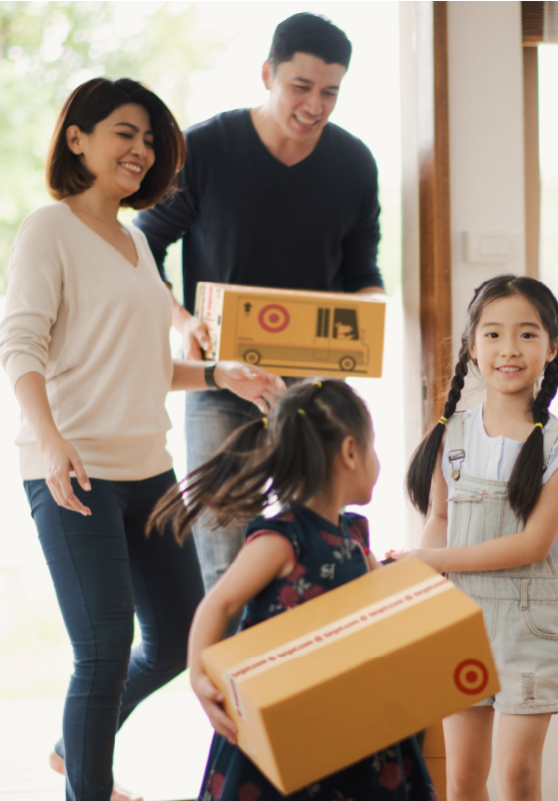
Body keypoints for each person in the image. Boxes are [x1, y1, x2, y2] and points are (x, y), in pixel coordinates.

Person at [0, 77, 284, 801]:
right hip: (75, 471)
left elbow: (147, 363)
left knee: (175, 634)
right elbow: (20, 346)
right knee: (99, 649)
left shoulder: (133, 244)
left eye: (152, 140)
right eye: (125, 133)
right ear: (78, 139)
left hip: (146, 469)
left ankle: (71, 744)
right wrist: (50, 443)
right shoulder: (48, 230)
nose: (142, 151)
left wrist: (217, 370)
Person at [150, 380, 438, 801]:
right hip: (293, 731)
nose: (377, 461)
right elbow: (221, 601)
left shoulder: (355, 538)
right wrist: (198, 675)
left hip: (357, 730)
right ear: (350, 451)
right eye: (374, 447)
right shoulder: (281, 539)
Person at [135, 12, 385, 607]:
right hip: (224, 382)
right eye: (301, 87)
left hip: (314, 389)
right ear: (268, 73)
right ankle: (233, 696)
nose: (314, 106)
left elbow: (362, 273)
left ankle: (299, 691)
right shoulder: (205, 149)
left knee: (317, 553)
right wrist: (183, 322)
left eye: (330, 92)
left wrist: (367, 321)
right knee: (225, 559)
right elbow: (143, 245)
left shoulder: (354, 164)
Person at [393, 276, 558, 801]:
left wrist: (432, 562)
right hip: (460, 620)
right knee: (467, 774)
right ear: (472, 349)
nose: (511, 348)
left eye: (528, 334)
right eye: (495, 333)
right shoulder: (450, 435)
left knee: (515, 774)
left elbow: (533, 544)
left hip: (531, 622)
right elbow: (440, 523)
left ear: (552, 348)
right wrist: (422, 574)